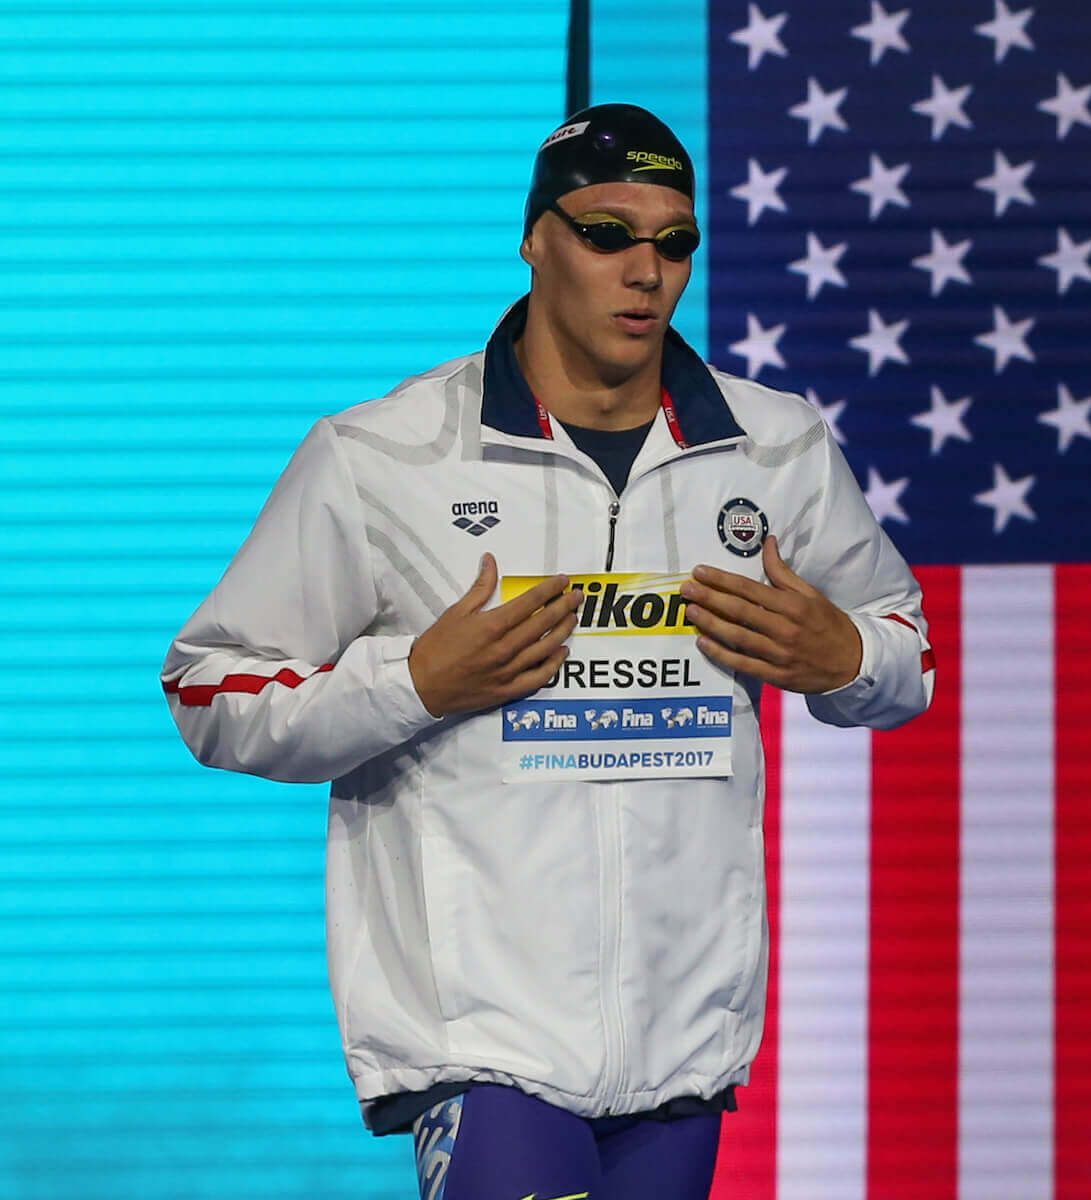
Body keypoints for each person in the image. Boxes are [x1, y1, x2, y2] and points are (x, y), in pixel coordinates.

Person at [161, 102, 933, 1200]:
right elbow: (211, 685)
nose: (646, 271)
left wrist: (843, 654)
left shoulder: (776, 448)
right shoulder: (385, 457)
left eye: (674, 242)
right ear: (535, 238)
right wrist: (416, 682)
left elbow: (906, 652)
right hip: (480, 1041)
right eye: (608, 233)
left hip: (683, 1052)